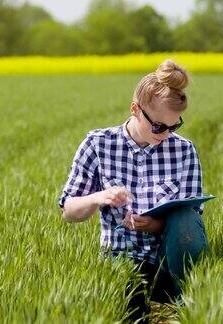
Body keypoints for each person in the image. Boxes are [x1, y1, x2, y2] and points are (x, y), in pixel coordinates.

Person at [57, 59, 207, 323]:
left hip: (168, 258)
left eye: (174, 126)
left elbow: (190, 224)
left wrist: (152, 224)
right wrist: (97, 197)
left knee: (193, 306)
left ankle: (183, 299)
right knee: (132, 310)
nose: (165, 134)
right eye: (159, 127)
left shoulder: (184, 150)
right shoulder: (97, 144)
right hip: (122, 256)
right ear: (135, 109)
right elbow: (69, 212)